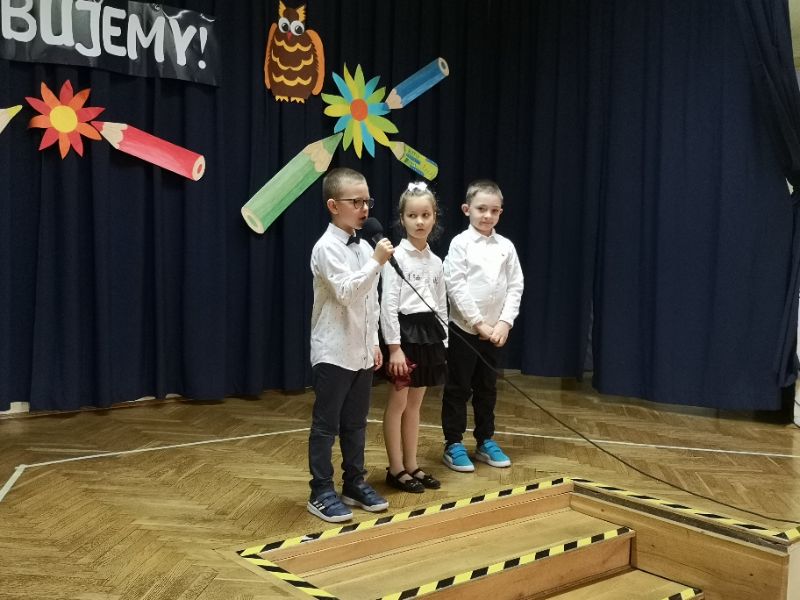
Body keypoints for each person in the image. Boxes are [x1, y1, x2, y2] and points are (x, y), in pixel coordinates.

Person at [307, 167, 394, 522]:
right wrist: (376, 263)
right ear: (333, 205)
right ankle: (320, 490)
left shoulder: (365, 246)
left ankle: (354, 482)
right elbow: (346, 293)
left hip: (360, 351)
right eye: (356, 202)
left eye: (367, 201)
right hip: (333, 350)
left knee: (356, 423)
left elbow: (371, 301)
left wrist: (374, 343)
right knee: (326, 425)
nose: (365, 208)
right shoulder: (326, 248)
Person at [441, 179, 524, 472]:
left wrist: (504, 323)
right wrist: (478, 323)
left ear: (501, 212)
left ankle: (485, 439)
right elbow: (456, 286)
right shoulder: (460, 244)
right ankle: (453, 443)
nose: (487, 215)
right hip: (464, 331)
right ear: (467, 209)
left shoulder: (506, 247)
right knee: (458, 387)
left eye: (494, 210)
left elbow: (515, 285)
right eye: (481, 209)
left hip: (494, 334)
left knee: (487, 388)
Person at [380, 182, 447, 493]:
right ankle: (395, 469)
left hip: (428, 336)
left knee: (415, 405)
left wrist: (444, 343)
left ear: (434, 217)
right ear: (402, 219)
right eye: (412, 215)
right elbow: (388, 306)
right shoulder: (395, 258)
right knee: (398, 402)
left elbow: (440, 304)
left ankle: (412, 464)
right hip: (404, 337)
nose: (419, 221)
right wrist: (394, 348)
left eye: (425, 215)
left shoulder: (436, 262)